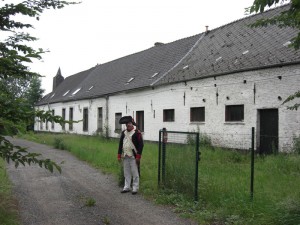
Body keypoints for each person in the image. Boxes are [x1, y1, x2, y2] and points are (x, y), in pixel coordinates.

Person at [117, 116, 144, 195]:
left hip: (133, 157)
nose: (128, 125)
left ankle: (135, 188)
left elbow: (141, 145)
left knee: (135, 173)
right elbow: (120, 144)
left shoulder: (137, 133)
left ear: (132, 124)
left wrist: (138, 156)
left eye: (129, 123)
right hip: (125, 156)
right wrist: (119, 154)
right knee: (127, 172)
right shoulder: (123, 133)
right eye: (127, 124)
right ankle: (127, 187)